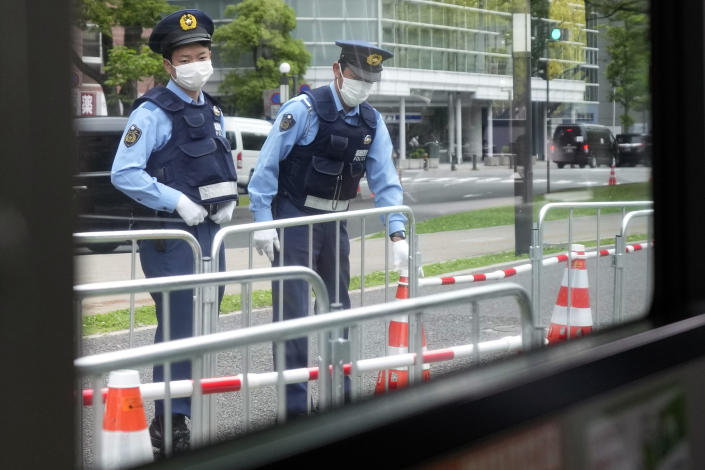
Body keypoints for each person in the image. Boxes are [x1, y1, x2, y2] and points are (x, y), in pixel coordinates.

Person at [247, 40, 409, 418]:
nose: (363, 87)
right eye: (357, 77)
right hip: (295, 219)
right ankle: (295, 410)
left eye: (370, 81)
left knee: (339, 310)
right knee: (294, 315)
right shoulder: (303, 110)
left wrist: (397, 232)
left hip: (335, 223)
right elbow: (267, 167)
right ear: (338, 71)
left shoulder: (371, 122)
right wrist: (262, 220)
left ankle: (339, 399)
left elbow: (385, 181)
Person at [111, 9, 237, 456]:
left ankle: (186, 410)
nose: (197, 64)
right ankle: (170, 421)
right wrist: (175, 200)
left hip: (208, 235)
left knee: (205, 319)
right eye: (186, 58)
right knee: (180, 323)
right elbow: (123, 173)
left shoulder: (214, 108)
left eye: (203, 55)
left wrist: (229, 200)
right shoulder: (152, 112)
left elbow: (216, 166)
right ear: (168, 65)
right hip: (170, 236)